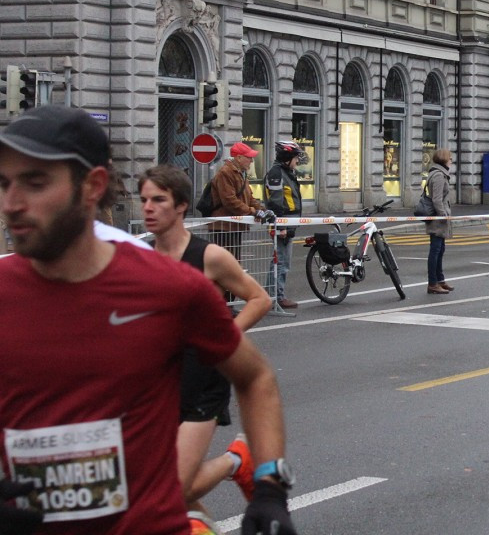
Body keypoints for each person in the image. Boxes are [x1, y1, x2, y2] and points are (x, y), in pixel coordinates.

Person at [0, 105, 296, 535]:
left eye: (35, 182)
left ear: (92, 187)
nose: (12, 203)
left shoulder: (171, 287)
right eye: (5, 183)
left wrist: (270, 489)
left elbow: (255, 378)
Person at [139, 165, 273, 528]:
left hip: (204, 376)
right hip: (161, 381)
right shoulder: (143, 258)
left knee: (176, 486)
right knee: (159, 484)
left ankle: (237, 460)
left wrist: (223, 336)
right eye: (144, 200)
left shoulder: (209, 256)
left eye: (158, 200)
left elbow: (259, 299)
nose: (148, 208)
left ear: (181, 205)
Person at [208, 141, 269, 268]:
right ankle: (223, 288)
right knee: (226, 266)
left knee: (233, 264)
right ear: (239, 157)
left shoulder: (240, 173)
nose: (251, 161)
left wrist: (262, 210)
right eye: (249, 157)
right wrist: (252, 211)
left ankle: (229, 288)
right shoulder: (226, 172)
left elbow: (249, 197)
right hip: (224, 227)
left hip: (233, 225)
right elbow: (230, 201)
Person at [264, 141, 305, 309]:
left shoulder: (286, 172)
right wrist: (280, 227)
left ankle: (269, 296)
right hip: (283, 223)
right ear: (287, 158)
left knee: (280, 261)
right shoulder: (277, 173)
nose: (297, 161)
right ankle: (277, 297)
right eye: (295, 158)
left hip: (289, 223)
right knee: (281, 262)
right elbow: (275, 201)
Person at [425, 148, 454, 293]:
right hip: (438, 219)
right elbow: (437, 199)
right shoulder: (438, 176)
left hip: (440, 218)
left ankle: (440, 280)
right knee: (435, 250)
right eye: (450, 158)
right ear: (443, 159)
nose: (451, 161)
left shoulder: (440, 174)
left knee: (440, 249)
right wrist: (443, 215)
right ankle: (432, 283)